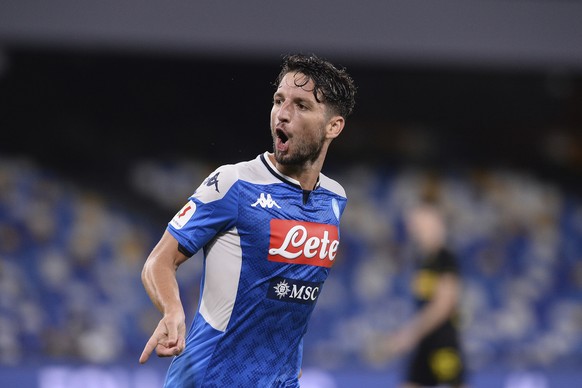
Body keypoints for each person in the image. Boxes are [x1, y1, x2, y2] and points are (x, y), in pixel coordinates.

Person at [138, 54, 356, 387]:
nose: (282, 114)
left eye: (301, 105)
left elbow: (293, 295)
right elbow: (159, 261)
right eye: (279, 101)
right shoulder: (234, 183)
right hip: (209, 379)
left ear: (333, 126)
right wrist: (172, 310)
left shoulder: (334, 200)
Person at [381, 202, 468, 388]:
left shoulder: (445, 258)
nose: (416, 231)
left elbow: (444, 304)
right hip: (425, 342)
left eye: (421, 225)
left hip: (443, 342)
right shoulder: (422, 260)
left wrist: (410, 334)